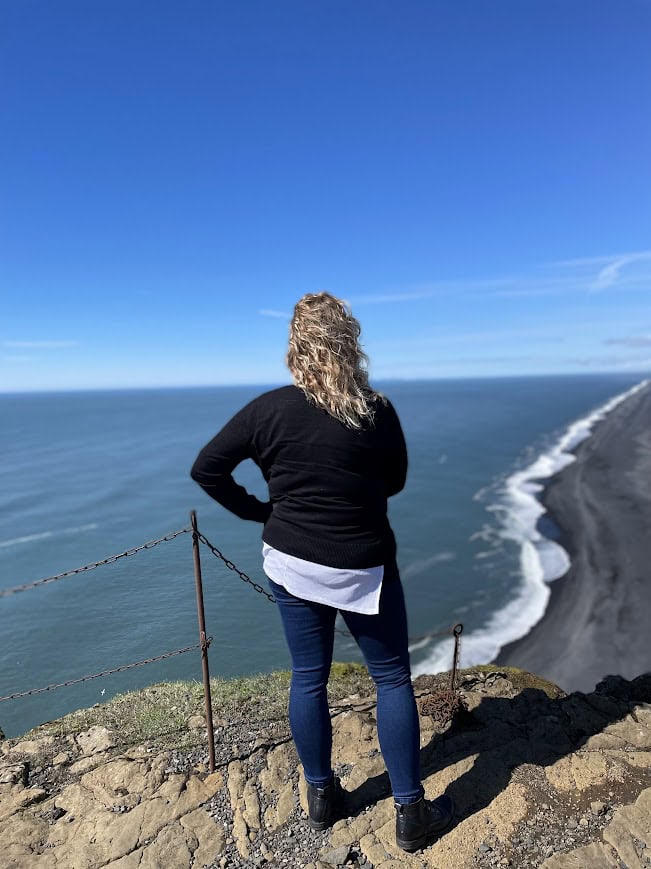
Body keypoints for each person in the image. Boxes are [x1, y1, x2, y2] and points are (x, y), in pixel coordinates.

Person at [191, 292, 454, 852]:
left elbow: (207, 468)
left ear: (295, 348)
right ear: (349, 344)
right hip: (363, 565)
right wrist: (351, 496)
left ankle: (322, 797)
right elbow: (396, 480)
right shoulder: (374, 411)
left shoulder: (267, 410)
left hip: (291, 563)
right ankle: (411, 814)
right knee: (391, 679)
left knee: (308, 677)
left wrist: (262, 511)